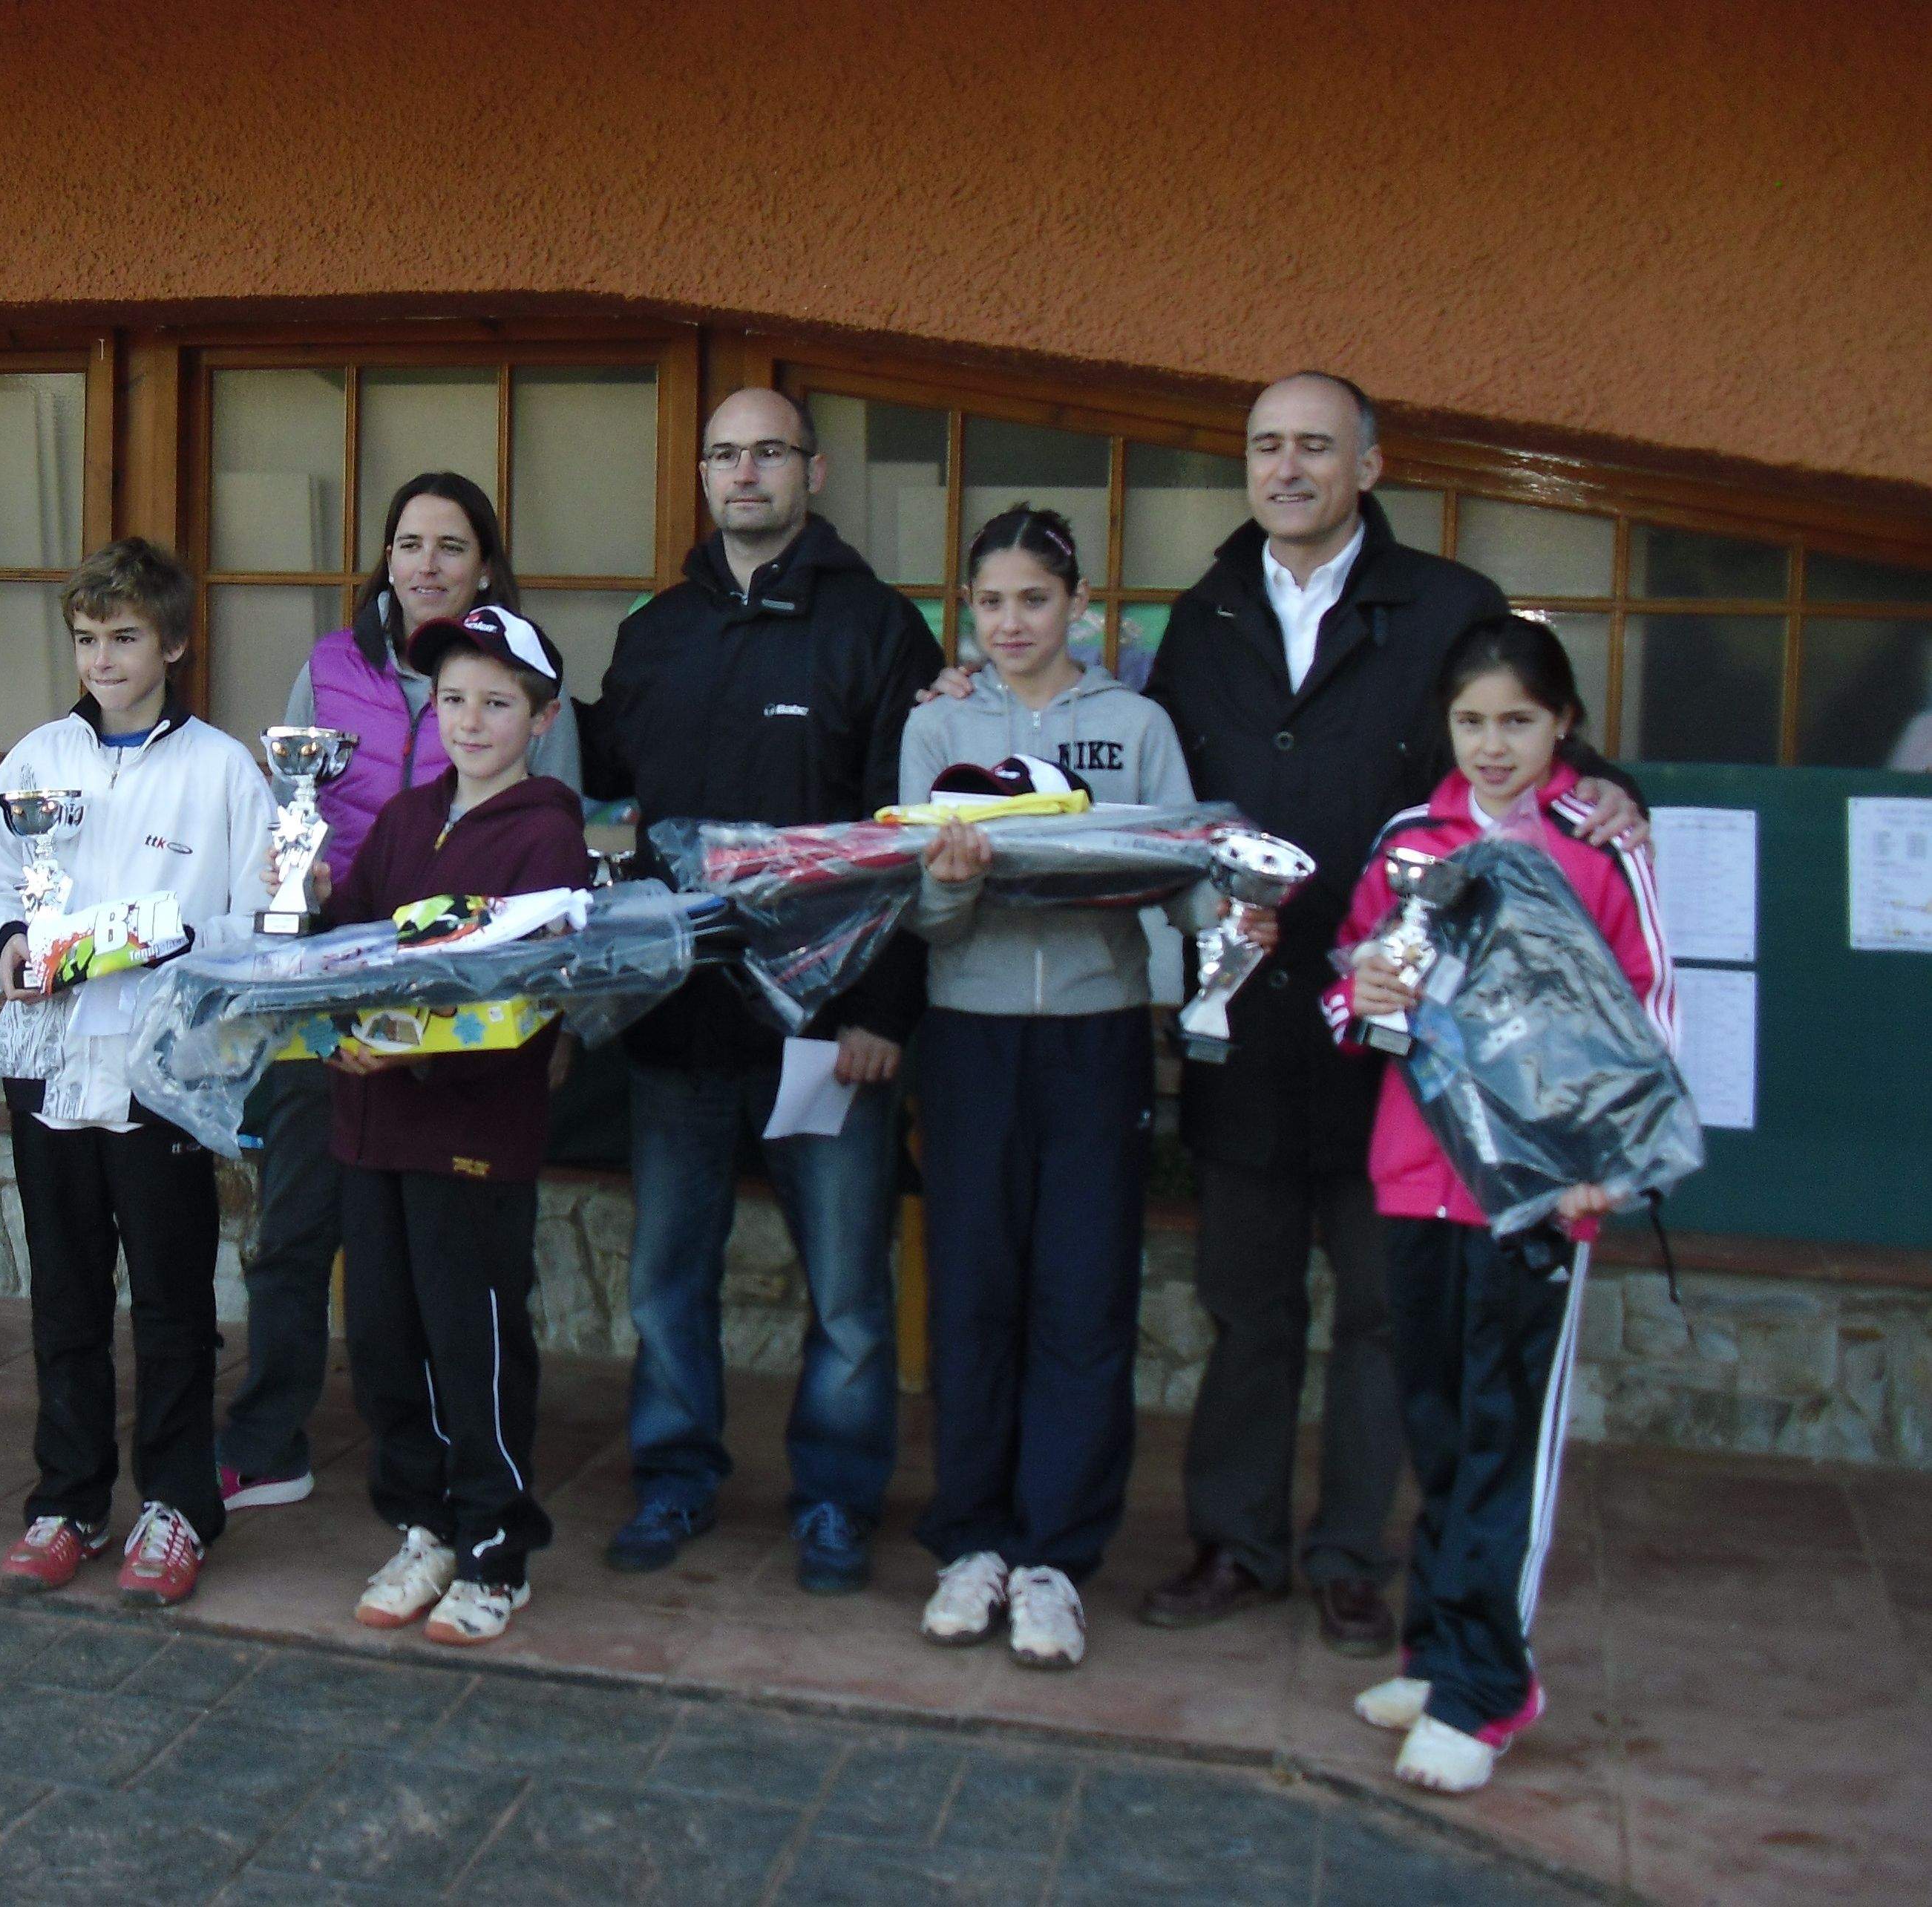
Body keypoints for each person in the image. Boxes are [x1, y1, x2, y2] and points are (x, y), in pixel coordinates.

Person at [1113, 372, 1642, 1652]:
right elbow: (1154, 770)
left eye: (1313, 446)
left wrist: (1609, 788)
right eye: (1263, 447)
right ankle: (1235, 1540)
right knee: (1245, 1303)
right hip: (1245, 1021)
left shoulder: (1448, 607)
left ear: (1368, 462)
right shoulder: (1206, 610)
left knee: (1379, 1311)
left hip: (1400, 1032)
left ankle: (1352, 1553)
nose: (1285, 468)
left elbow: (1524, 738)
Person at [900, 506, 1271, 1666]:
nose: (1011, 623)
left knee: (1081, 1297)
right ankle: (974, 1543)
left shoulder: (1139, 725)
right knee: (973, 1294)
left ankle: (1057, 1557)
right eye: (991, 602)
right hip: (968, 1037)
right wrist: (955, 882)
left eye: (1035, 600)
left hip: (1100, 1039)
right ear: (969, 611)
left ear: (1080, 607)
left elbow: (1184, 880)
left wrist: (1238, 915)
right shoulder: (940, 725)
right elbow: (914, 907)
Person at [579, 387, 934, 1594]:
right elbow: (608, 807)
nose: (745, 474)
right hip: (676, 1016)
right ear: (701, 473)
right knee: (664, 1273)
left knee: (845, 1285)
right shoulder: (657, 632)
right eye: (724, 455)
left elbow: (908, 833)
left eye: (768, 452)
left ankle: (836, 1498)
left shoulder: (878, 629)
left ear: (812, 470)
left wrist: (882, 1005)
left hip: (826, 1032)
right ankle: (674, 1479)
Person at [1322, 615, 1674, 1793]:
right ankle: (1439, 1651)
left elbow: (1648, 1005)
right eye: (1471, 721)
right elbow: (1351, 993)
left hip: (1536, 1199)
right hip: (1415, 1177)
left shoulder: (1601, 843)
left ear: (1562, 722)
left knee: (1502, 1445)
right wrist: (1363, 987)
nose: (1491, 745)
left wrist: (1605, 1162)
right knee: (1434, 1420)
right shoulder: (1410, 838)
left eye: (1517, 720)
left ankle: (1488, 1687)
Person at [217, 473, 582, 1514]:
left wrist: (536, 1028)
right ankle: (279, 1440)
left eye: (450, 545)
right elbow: (292, 808)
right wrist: (296, 888)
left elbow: (551, 901)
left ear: (483, 565)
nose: (424, 563)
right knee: (306, 1234)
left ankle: (480, 1507)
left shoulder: (527, 738)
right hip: (340, 1000)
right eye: (408, 542)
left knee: (454, 1298)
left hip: (465, 1046)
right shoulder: (336, 675)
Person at [0, 538, 272, 1609]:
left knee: (174, 1299)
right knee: (65, 1292)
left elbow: (252, 919)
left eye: (127, 638)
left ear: (174, 643)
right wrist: (7, 946)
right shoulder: (37, 760)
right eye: (88, 639)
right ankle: (69, 1497)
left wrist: (164, 939)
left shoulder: (224, 771)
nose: (104, 658)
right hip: (51, 1062)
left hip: (160, 1069)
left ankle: (179, 1501)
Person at [295, 604, 594, 1646]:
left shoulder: (550, 831)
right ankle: (422, 1522)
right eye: (453, 698)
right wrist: (304, 898)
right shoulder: (407, 818)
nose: (469, 721)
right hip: (367, 1123)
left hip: (469, 1134)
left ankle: (497, 1544)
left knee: (472, 1341)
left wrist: (423, 1049)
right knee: (383, 1337)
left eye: (497, 703)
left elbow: (530, 992)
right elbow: (356, 942)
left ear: (542, 717)